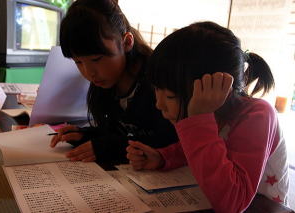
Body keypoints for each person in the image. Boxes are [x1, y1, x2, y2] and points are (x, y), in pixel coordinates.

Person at [126, 21, 289, 212]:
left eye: (170, 96)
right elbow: (197, 148)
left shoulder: (258, 116)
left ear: (215, 89)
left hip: (262, 207)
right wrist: (163, 158)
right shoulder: (215, 112)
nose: (159, 104)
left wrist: (198, 119)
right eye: (157, 90)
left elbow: (233, 203)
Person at [50, 0, 177, 164]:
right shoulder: (107, 83)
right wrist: (88, 135)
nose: (89, 73)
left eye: (96, 59)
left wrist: (112, 148)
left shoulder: (158, 82)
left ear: (126, 42)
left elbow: (171, 139)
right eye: (78, 62)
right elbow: (119, 130)